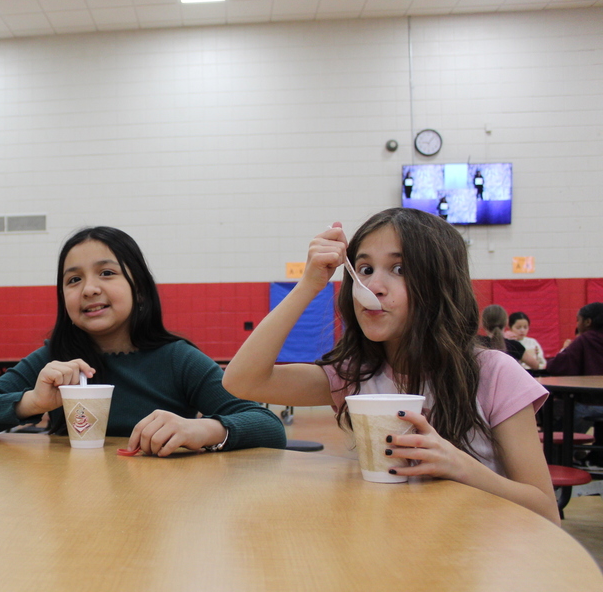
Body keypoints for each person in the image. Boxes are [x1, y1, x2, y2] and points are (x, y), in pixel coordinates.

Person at [222, 208, 559, 525]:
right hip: (392, 543)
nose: (373, 286)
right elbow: (242, 381)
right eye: (365, 270)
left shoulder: (495, 374)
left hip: (477, 553)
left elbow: (546, 512)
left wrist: (462, 467)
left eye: (399, 270)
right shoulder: (354, 375)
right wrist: (309, 284)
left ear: (440, 284)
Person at [0, 226, 286, 456]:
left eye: (107, 273)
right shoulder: (55, 359)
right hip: (71, 502)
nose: (89, 288)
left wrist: (203, 430)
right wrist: (32, 402)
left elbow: (269, 426)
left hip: (153, 503)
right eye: (73, 279)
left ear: (139, 290)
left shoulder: (177, 359)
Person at [545, 302, 603, 433]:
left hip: (591, 403)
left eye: (578, 320)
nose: (577, 325)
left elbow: (556, 366)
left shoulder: (585, 339)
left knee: (559, 425)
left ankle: (561, 444)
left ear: (588, 322)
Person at [476, 304, 539, 369]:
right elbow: (536, 365)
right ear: (506, 322)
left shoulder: (476, 343)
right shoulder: (514, 345)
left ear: (482, 323)